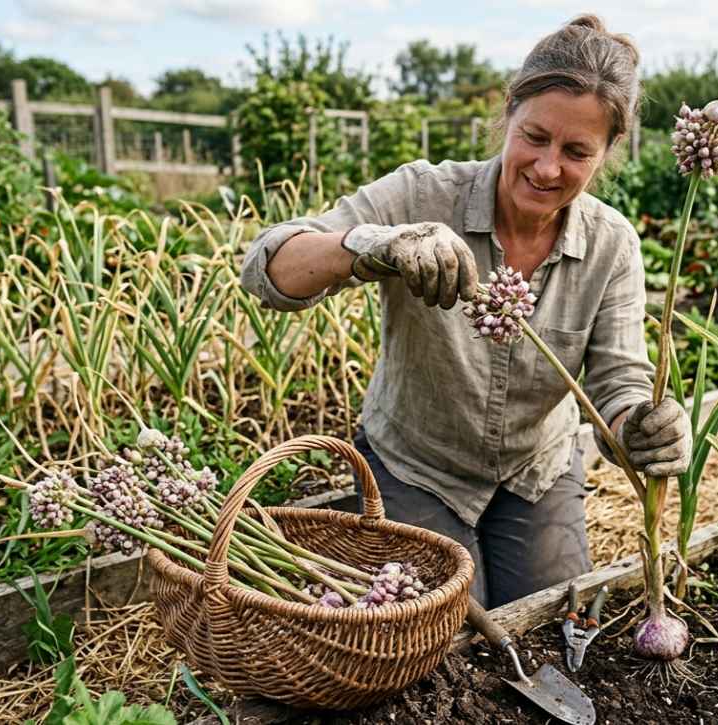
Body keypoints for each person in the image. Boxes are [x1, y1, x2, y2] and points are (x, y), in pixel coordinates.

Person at [241, 15, 691, 609]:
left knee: (555, 616)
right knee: (443, 627)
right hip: (417, 463)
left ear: (606, 153)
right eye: (534, 136)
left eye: (577, 151)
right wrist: (374, 247)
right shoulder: (423, 195)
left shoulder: (611, 244)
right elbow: (266, 269)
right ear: (508, 114)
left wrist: (640, 429)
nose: (548, 167)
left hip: (538, 469)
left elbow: (618, 381)